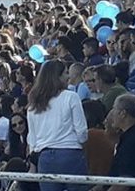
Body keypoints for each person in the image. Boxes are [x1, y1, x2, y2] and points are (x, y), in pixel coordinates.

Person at [27, 60, 88, 191]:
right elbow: (82, 132)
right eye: (66, 73)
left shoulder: (33, 104)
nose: (69, 76)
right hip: (70, 154)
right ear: (57, 76)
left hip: (45, 158)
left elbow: (32, 139)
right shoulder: (71, 97)